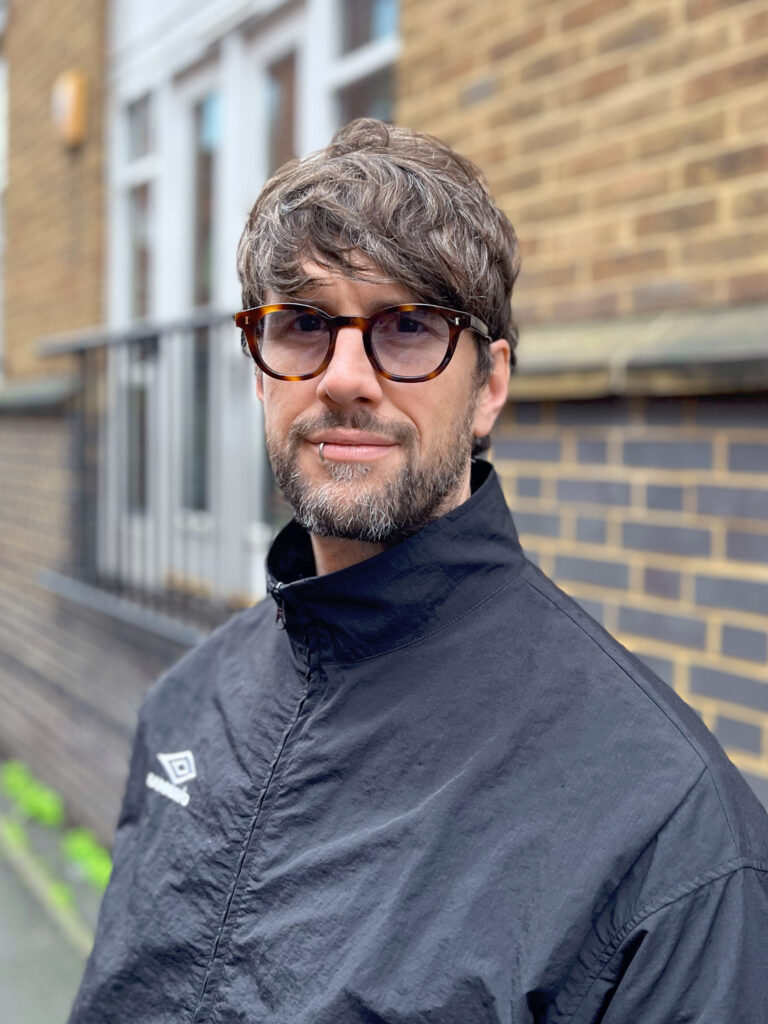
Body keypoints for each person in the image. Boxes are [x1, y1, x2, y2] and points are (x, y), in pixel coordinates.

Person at [69, 119, 768, 1024]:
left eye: (407, 327)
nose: (347, 377)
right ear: (259, 373)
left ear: (488, 387)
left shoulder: (672, 838)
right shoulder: (185, 704)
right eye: (304, 325)